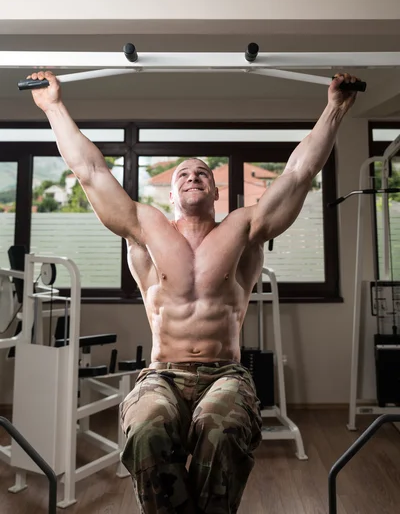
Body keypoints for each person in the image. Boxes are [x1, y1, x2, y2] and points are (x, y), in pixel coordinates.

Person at [28, 70, 359, 514]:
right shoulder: (145, 228)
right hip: (162, 373)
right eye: (183, 173)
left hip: (226, 373)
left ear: (216, 188)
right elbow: (89, 170)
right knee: (145, 428)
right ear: (171, 191)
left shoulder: (244, 228)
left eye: (202, 172)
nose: (192, 176)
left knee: (221, 429)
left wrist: (335, 107)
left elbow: (300, 172)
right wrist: (53, 107)